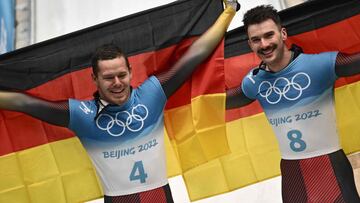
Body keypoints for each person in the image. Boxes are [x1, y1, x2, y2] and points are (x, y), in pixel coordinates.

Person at [0, 1, 240, 202]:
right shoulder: (82, 115)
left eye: (121, 75)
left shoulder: (152, 95)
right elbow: (23, 103)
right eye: (108, 77)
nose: (117, 82)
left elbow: (196, 54)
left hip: (158, 196)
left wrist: (227, 13)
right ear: (94, 79)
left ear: (130, 72)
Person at [225, 5, 360, 203]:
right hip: (293, 176)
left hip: (331, 169)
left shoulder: (320, 65)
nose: (264, 44)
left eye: (269, 35)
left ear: (283, 34)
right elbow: (209, 103)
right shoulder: (253, 82)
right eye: (256, 40)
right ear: (250, 44)